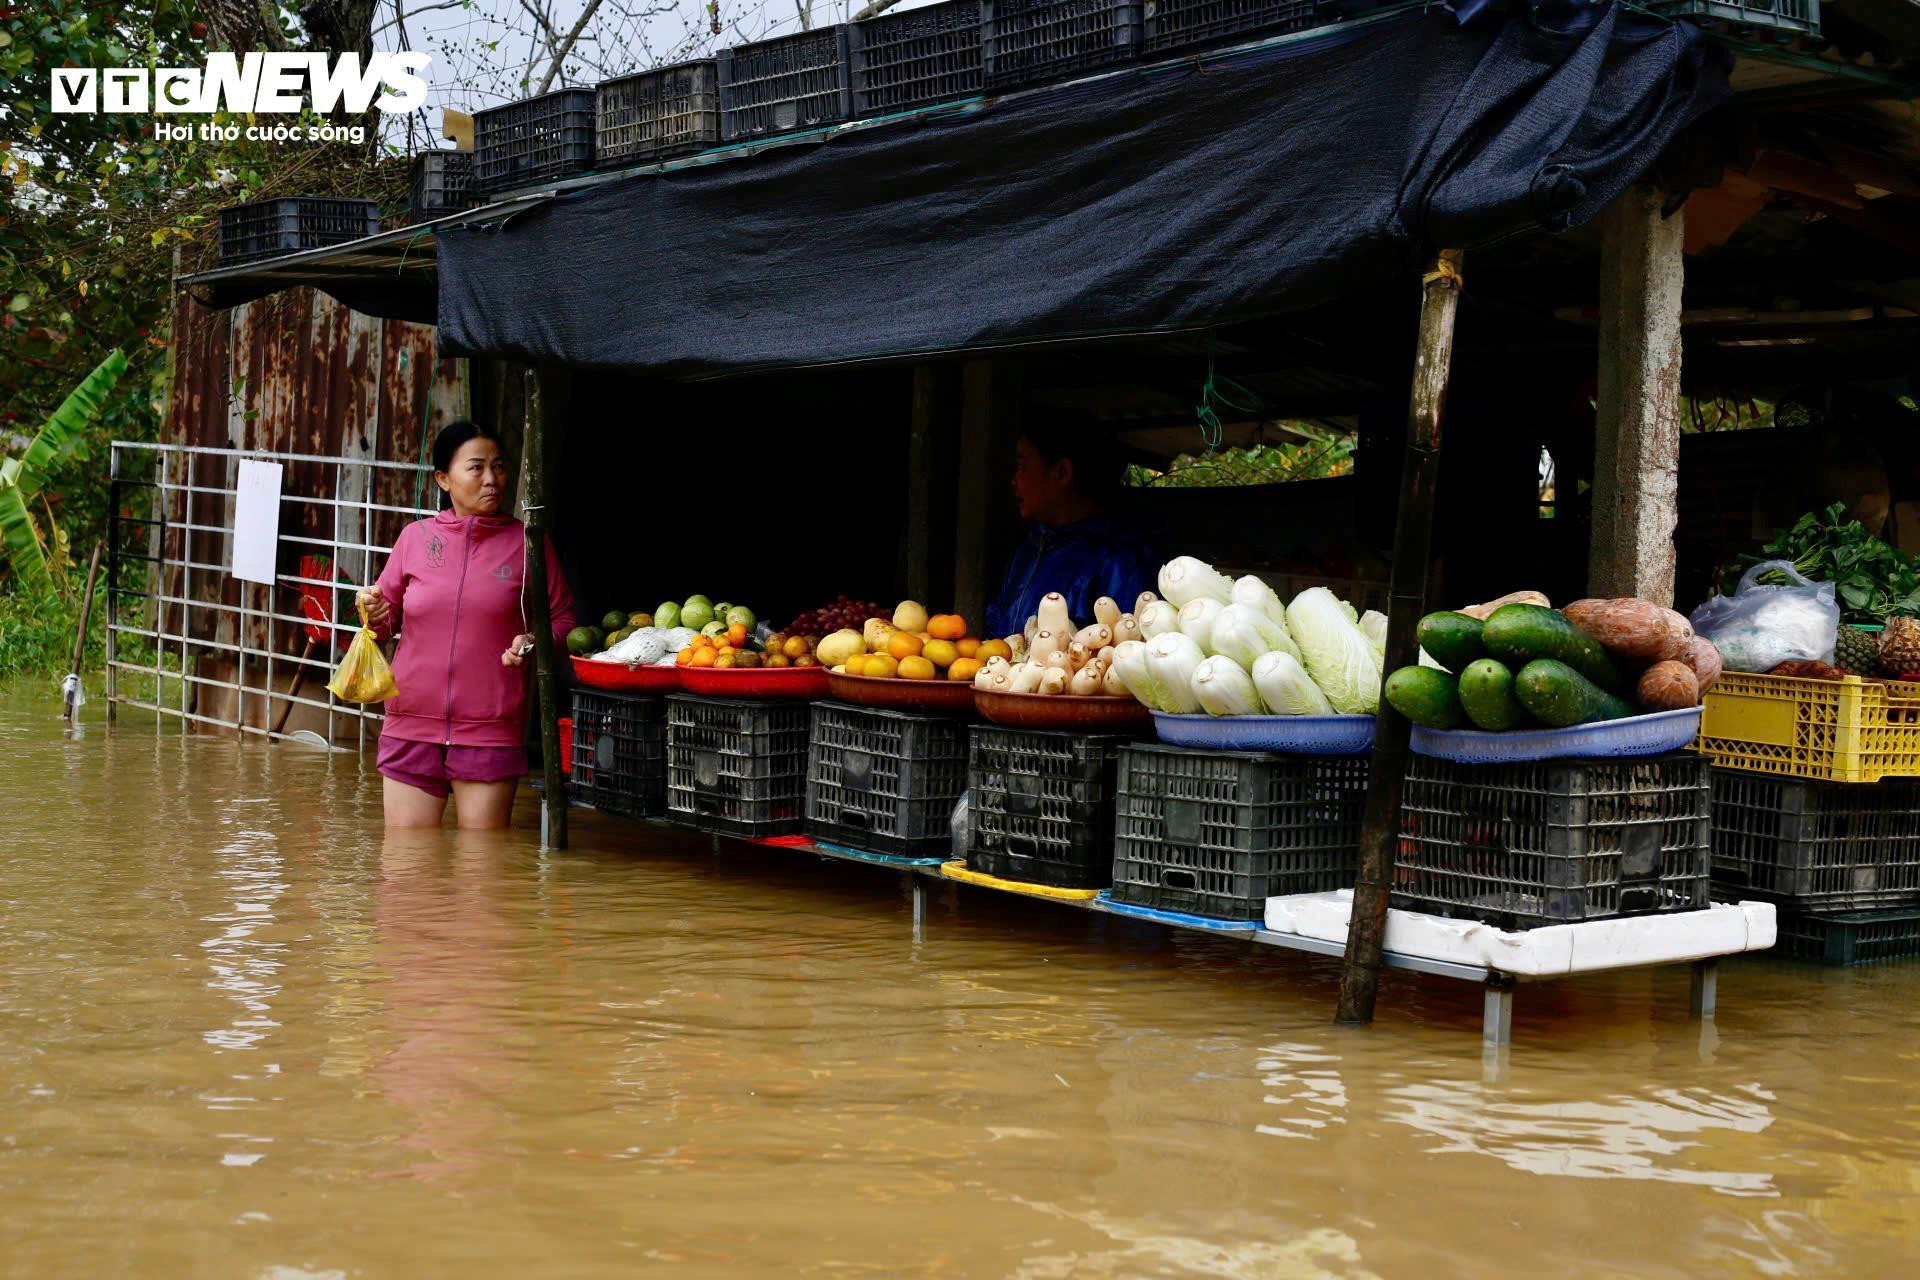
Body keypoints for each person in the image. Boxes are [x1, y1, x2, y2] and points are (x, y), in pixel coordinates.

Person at [357, 421, 575, 830]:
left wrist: (531, 642)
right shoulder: (414, 539)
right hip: (410, 726)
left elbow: (563, 620)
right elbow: (381, 626)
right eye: (476, 468)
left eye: (499, 467)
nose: (492, 479)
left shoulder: (529, 543)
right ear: (444, 479)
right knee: (406, 872)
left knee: (483, 875)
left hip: (490, 731)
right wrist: (372, 611)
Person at [985, 419, 1158, 641]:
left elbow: (1122, 650)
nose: (1013, 480)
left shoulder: (1119, 560)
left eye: (1021, 466)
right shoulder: (1031, 548)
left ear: (1061, 473)